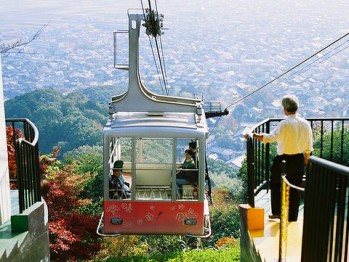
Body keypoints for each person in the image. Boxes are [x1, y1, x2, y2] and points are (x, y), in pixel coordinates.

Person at [248, 94, 313, 221]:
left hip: (283, 159)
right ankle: (292, 216)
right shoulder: (305, 123)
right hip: (299, 159)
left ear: (285, 108)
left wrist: (253, 135)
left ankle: (277, 212)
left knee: (276, 184)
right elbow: (309, 146)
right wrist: (306, 160)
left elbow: (271, 138)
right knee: (295, 188)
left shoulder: (285, 123)